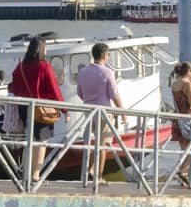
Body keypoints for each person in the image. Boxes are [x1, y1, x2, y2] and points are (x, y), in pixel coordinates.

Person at [10, 37, 64, 177]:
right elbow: (54, 89)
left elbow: (14, 88)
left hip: (24, 107)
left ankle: (26, 171)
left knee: (29, 139)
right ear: (41, 49)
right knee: (41, 141)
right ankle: (35, 174)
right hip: (41, 109)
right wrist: (65, 109)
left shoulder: (20, 66)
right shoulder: (44, 67)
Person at [76, 42, 124, 181]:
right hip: (103, 114)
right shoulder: (108, 72)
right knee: (103, 145)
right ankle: (98, 175)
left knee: (93, 143)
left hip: (89, 112)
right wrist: (122, 112)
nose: (108, 56)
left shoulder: (83, 72)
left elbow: (80, 92)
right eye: (108, 54)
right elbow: (114, 94)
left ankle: (90, 169)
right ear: (104, 55)